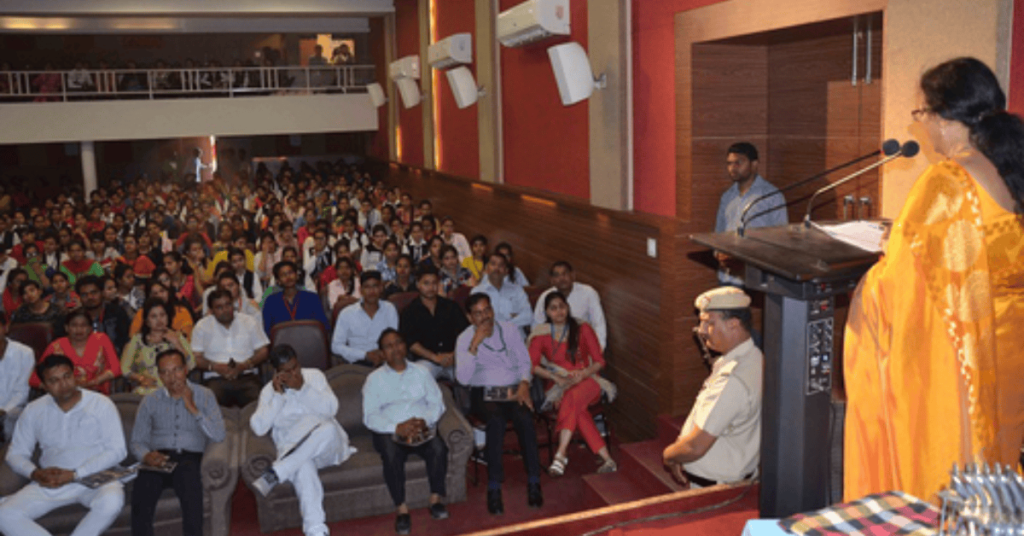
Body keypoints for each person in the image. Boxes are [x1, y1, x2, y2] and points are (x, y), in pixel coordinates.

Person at [843, 57, 1024, 502]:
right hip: (1007, 351)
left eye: (921, 113)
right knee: (996, 465)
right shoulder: (1008, 168)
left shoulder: (948, 182)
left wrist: (873, 280)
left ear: (944, 117)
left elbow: (899, 284)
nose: (920, 125)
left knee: (947, 470)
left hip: (961, 362)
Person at [0, 354, 126, 536]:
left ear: (75, 375)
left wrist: (76, 474)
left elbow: (117, 451)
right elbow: (16, 454)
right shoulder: (34, 410)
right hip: (53, 482)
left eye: (67, 376)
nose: (64, 384)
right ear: (43, 385)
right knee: (4, 514)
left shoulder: (100, 404)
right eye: (54, 380)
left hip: (94, 478)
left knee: (112, 502)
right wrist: (34, 473)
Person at [249, 345, 355, 536]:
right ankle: (316, 530)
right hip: (296, 450)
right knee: (303, 466)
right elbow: (258, 427)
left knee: (329, 428)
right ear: (276, 372)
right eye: (286, 371)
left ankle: (279, 471)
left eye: (295, 367)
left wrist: (303, 389)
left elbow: (331, 409)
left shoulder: (314, 376)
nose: (293, 373)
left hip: (328, 446)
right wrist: (279, 397)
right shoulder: (269, 391)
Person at [663, 287, 762, 488]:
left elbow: (696, 446)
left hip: (713, 485)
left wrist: (669, 456)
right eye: (701, 322)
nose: (701, 330)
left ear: (733, 324)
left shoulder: (733, 379)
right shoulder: (755, 357)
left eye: (709, 322)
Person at [455, 294, 542, 515]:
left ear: (493, 310)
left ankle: (534, 480)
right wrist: (475, 344)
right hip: (484, 392)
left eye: (487, 310)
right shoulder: (464, 338)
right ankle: (494, 487)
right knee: (496, 420)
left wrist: (524, 383)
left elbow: (524, 360)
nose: (485, 317)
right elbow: (463, 379)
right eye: (478, 313)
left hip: (513, 388)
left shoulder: (509, 329)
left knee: (524, 417)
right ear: (469, 317)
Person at [130, 348, 225, 536]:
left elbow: (218, 435)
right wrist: (146, 455)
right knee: (141, 493)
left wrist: (193, 409)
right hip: (158, 458)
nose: (171, 377)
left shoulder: (205, 395)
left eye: (176, 370)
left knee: (191, 491)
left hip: (189, 458)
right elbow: (136, 441)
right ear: (159, 375)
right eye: (165, 372)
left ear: (186, 369)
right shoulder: (150, 401)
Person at [363, 329, 450, 535]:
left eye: (399, 343)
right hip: (391, 431)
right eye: (389, 346)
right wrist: (396, 427)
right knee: (391, 454)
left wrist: (425, 420)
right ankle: (401, 509)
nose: (395, 349)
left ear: (405, 345)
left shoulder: (422, 372)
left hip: (421, 428)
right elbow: (370, 416)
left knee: (439, 447)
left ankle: (435, 499)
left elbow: (437, 403)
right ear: (382, 353)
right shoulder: (373, 379)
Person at [529, 292, 616, 475]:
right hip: (557, 386)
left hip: (589, 381)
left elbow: (600, 361)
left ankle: (561, 454)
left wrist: (583, 373)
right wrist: (556, 379)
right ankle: (607, 459)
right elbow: (531, 366)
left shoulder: (583, 328)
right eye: (553, 308)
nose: (559, 311)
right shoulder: (541, 335)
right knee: (577, 410)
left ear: (567, 307)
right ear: (547, 312)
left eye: (562, 306)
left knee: (571, 397)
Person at [714, 142, 787, 285]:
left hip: (755, 279)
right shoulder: (727, 196)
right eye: (729, 163)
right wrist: (718, 254)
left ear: (754, 164)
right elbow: (718, 234)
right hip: (726, 276)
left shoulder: (771, 196)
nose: (732, 168)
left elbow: (781, 240)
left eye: (738, 163)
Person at [192, 289, 270, 407]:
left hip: (247, 377)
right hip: (215, 379)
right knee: (211, 406)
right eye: (219, 307)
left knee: (260, 406)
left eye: (228, 305)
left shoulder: (249, 321)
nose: (225, 310)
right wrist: (216, 367)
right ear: (211, 310)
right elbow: (196, 357)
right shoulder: (202, 326)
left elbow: (263, 351)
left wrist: (245, 365)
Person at [400, 266, 468, 380]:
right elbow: (411, 343)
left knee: (472, 373)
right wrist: (435, 358)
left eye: (434, 283)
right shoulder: (409, 311)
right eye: (426, 283)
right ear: (418, 284)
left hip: (455, 358)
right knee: (418, 377)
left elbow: (465, 333)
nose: (431, 287)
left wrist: (453, 354)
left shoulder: (451, 306)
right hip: (427, 361)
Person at [32, 309, 122, 395]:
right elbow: (34, 378)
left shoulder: (101, 339)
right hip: (65, 396)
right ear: (66, 328)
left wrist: (94, 382)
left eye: (83, 325)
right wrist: (54, 388)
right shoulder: (56, 346)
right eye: (74, 325)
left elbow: (116, 369)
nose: (79, 330)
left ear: (90, 328)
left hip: (97, 393)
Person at [121, 299, 195, 396]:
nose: (159, 320)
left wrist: (177, 344)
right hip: (147, 390)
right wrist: (141, 379)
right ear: (147, 321)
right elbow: (124, 369)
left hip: (174, 389)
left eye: (162, 315)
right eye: (154, 316)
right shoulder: (137, 340)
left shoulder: (178, 337)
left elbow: (191, 365)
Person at [532, 261, 608, 349]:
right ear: (552, 280)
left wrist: (599, 349)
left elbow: (598, 324)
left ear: (573, 275)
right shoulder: (545, 297)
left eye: (565, 274)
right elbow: (537, 325)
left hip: (582, 346)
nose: (561, 278)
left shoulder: (588, 293)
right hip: (554, 347)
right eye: (557, 275)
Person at [331, 271, 399, 367]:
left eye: (375, 286)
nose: (371, 291)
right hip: (357, 364)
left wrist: (382, 354)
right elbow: (336, 346)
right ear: (360, 290)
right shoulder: (347, 313)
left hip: (386, 362)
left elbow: (394, 339)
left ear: (381, 288)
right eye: (367, 287)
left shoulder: (389, 309)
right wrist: (365, 355)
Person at [262, 260, 330, 335]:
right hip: (282, 344)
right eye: (283, 275)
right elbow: (267, 331)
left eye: (290, 273)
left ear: (297, 276)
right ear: (278, 281)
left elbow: (323, 326)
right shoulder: (271, 301)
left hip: (309, 342)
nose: (288, 277)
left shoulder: (312, 298)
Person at [471, 253, 532, 336]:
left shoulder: (517, 290)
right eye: (493, 264)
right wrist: (514, 317)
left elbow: (528, 316)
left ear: (506, 271)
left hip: (516, 338)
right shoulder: (477, 292)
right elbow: (478, 320)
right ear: (487, 269)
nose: (496, 268)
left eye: (501, 265)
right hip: (489, 339)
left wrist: (505, 324)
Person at [0, 312, 34, 441]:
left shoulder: (24, 353)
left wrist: (4, 411)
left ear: (5, 327)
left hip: (13, 411)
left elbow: (22, 391)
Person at [77, 275, 131, 354]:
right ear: (79, 297)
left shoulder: (117, 313)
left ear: (102, 293)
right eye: (84, 295)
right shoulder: (75, 318)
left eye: (94, 293)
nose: (90, 297)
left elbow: (125, 343)